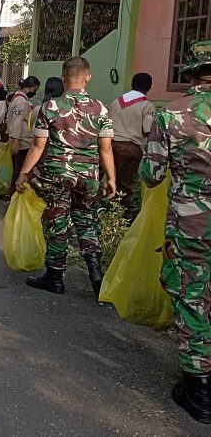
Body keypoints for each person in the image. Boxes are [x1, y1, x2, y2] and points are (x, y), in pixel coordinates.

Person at [140, 41, 211, 424]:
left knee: (193, 297)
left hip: (192, 225)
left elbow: (151, 176)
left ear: (190, 74)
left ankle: (199, 389)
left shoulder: (173, 115)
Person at [15, 57, 116, 297]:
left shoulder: (49, 107)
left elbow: (38, 147)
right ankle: (96, 274)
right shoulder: (101, 108)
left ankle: (55, 277)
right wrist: (111, 178)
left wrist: (24, 173)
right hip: (89, 176)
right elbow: (106, 149)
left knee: (57, 224)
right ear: (88, 77)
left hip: (57, 175)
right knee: (86, 222)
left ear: (63, 78)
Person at [108, 72, 155, 220]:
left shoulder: (116, 102)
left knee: (109, 179)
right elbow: (148, 132)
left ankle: (102, 209)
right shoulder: (146, 105)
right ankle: (121, 216)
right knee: (125, 185)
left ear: (131, 84)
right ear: (149, 88)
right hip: (130, 149)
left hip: (109, 145)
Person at [8, 76, 41, 189]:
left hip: (21, 139)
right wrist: (16, 140)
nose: (34, 92)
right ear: (29, 87)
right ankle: (15, 196)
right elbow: (17, 121)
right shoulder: (21, 101)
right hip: (21, 141)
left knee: (18, 169)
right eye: (34, 89)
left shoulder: (19, 98)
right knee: (19, 171)